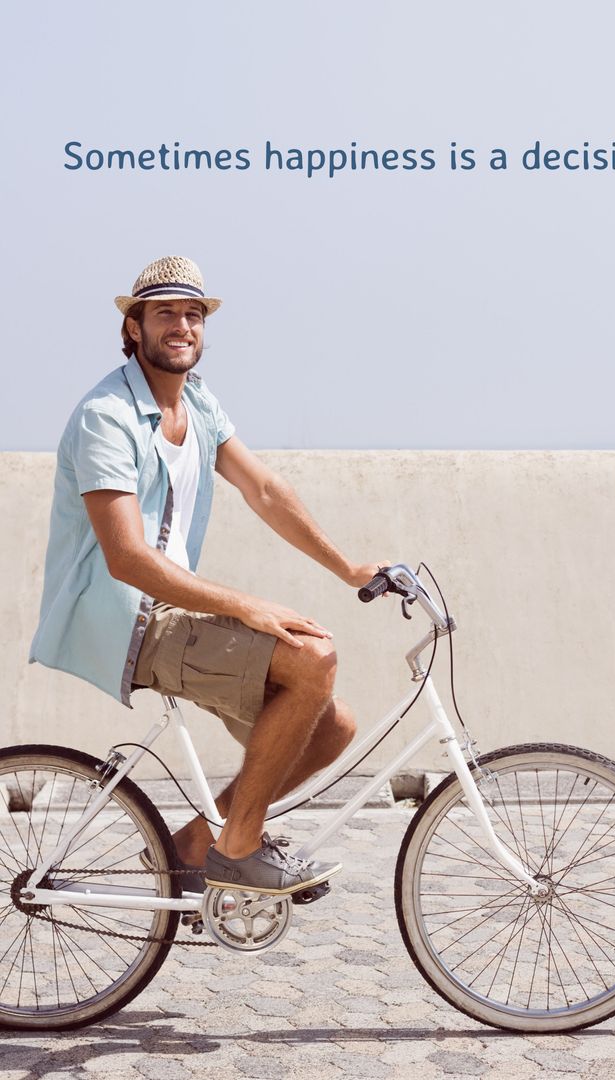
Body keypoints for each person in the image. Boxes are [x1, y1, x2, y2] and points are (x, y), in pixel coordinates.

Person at [29, 255, 387, 897]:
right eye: (164, 311)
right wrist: (249, 607)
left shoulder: (199, 403)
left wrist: (349, 568)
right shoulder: (105, 416)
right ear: (133, 327)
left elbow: (267, 491)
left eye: (193, 313)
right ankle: (238, 848)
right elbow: (127, 558)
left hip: (166, 609)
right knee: (312, 658)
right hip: (124, 617)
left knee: (333, 727)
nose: (182, 324)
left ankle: (199, 843)